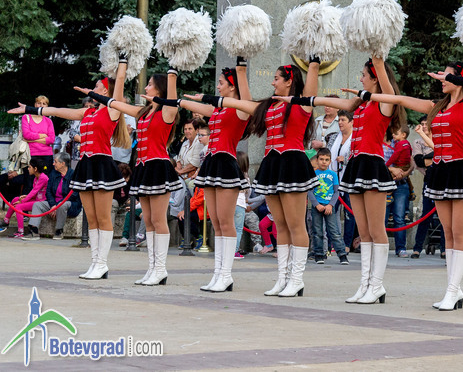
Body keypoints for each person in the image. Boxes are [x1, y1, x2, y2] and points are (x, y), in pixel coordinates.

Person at [345, 52, 463, 311]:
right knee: (447, 232)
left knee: (458, 233)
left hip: (462, 171)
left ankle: (452, 290)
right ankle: (453, 289)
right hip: (441, 172)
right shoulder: (437, 106)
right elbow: (399, 99)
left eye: (446, 75)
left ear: (459, 78)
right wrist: (366, 95)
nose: (441, 79)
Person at [279, 57, 405, 304]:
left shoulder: (384, 102)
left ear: (375, 78)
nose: (360, 78)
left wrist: (378, 59)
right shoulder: (362, 103)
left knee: (376, 229)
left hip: (373, 165)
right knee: (364, 231)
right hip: (357, 165)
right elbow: (338, 103)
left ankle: (377, 285)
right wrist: (303, 100)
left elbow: (388, 92)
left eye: (364, 75)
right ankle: (365, 284)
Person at [204, 58, 320, 297]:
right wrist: (241, 70)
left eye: (276, 78)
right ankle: (282, 278)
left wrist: (314, 62)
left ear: (289, 81)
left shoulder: (302, 103)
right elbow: (246, 104)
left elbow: (312, 82)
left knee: (296, 224)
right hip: (273, 164)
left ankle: (296, 279)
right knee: (281, 224)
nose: (272, 82)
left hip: (293, 164)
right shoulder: (270, 105)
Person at [8, 61, 130, 281]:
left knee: (103, 217)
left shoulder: (112, 109)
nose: (93, 88)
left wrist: (122, 61)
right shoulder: (88, 112)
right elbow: (59, 111)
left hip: (102, 165)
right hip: (86, 164)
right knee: (91, 218)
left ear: (105, 91)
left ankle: (102, 263)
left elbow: (119, 82)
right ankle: (95, 262)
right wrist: (31, 110)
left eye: (97, 86)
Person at [87, 71, 181, 286]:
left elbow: (172, 97)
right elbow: (116, 104)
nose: (146, 88)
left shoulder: (167, 111)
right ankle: (152, 268)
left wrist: (172, 73)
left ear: (160, 89)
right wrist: (93, 94)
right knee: (148, 220)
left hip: (158, 167)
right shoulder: (143, 112)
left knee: (158, 219)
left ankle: (160, 269)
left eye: (150, 84)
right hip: (143, 167)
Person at [179, 62, 251, 292]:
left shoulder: (239, 109)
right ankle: (218, 273)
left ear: (232, 86)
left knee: (226, 221)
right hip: (211, 164)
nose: (218, 87)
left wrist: (241, 69)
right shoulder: (219, 109)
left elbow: (248, 102)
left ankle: (226, 275)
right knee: (216, 222)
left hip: (226, 164)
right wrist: (178, 101)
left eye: (221, 83)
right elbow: (199, 106)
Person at [23, 152, 82, 240]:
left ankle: (59, 230)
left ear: (63, 163)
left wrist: (57, 206)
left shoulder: (73, 175)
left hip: (70, 204)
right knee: (37, 205)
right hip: (54, 203)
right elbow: (48, 191)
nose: (53, 164)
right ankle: (34, 230)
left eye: (55, 162)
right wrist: (53, 205)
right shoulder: (53, 174)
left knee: (62, 205)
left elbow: (73, 195)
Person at [410, 116, 446, 259]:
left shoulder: (440, 139)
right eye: (422, 124)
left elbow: (443, 154)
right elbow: (419, 161)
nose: (424, 126)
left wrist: (429, 158)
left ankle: (444, 248)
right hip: (429, 180)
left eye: (426, 124)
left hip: (443, 180)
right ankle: (417, 247)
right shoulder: (418, 142)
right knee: (425, 215)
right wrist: (434, 157)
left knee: (444, 217)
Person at [309, 148, 349, 265]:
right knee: (317, 232)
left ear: (330, 161)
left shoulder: (333, 174)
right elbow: (310, 191)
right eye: (321, 159)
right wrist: (316, 204)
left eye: (327, 160)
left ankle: (342, 255)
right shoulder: (313, 174)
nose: (324, 162)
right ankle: (319, 254)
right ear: (317, 160)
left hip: (329, 207)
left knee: (334, 231)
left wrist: (331, 205)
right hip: (317, 207)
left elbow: (336, 192)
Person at [329, 110, 356, 252]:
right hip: (333, 180)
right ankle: (332, 243)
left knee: (349, 214)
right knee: (331, 212)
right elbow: (327, 154)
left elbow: (357, 158)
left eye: (343, 120)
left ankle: (346, 244)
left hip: (349, 181)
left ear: (351, 122)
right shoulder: (334, 137)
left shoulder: (355, 138)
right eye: (339, 120)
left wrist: (344, 160)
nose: (340, 122)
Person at [1, 159, 48, 237]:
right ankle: (6, 220)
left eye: (29, 167)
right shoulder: (36, 178)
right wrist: (25, 197)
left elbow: (34, 191)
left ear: (35, 169)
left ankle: (20, 231)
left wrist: (23, 201)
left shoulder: (43, 177)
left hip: (41, 202)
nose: (28, 169)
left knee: (18, 206)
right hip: (36, 199)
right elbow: (35, 192)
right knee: (15, 199)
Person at [385, 125, 413, 257]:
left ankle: (401, 248)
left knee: (400, 218)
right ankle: (381, 247)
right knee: (382, 218)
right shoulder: (377, 144)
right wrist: (391, 169)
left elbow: (411, 162)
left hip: (401, 183)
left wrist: (405, 173)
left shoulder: (400, 143)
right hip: (385, 183)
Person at [21, 95, 55, 175]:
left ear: (47, 106)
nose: (41, 105)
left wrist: (31, 140)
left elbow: (51, 139)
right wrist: (42, 136)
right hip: (30, 155)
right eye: (39, 103)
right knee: (30, 181)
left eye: (44, 104)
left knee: (45, 180)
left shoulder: (48, 121)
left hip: (46, 156)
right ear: (35, 104)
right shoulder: (26, 118)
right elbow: (26, 135)